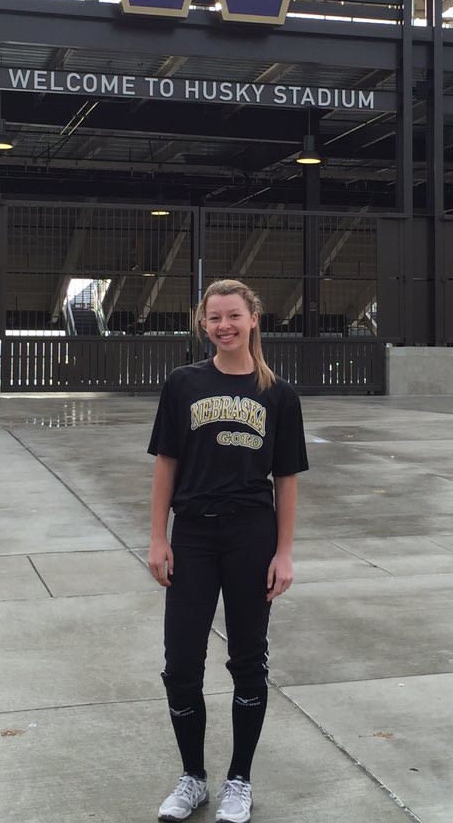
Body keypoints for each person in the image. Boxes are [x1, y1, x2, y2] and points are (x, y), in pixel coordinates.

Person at [147, 278, 308, 823]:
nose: (224, 326)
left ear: (254, 319)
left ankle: (239, 779)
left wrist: (284, 552)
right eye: (214, 318)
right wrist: (156, 537)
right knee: (182, 664)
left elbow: (286, 479)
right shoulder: (183, 384)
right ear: (203, 324)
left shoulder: (279, 394)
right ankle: (192, 776)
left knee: (247, 661)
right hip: (192, 534)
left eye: (233, 315)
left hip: (250, 536)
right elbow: (165, 463)